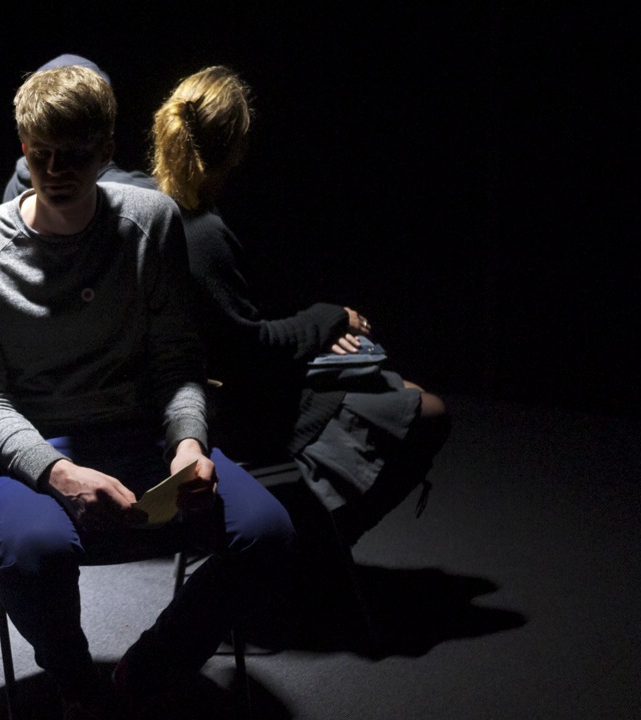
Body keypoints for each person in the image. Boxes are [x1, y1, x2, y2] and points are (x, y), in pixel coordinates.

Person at [0, 65, 295, 719]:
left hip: (142, 435)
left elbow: (177, 362)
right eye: (40, 153)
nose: (54, 170)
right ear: (23, 146)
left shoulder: (152, 221)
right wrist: (59, 473)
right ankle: (79, 686)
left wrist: (188, 443)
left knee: (268, 534)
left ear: (105, 150)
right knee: (34, 555)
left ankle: (151, 668)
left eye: (73, 155)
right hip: (39, 445)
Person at [149, 65, 450, 546]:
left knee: (399, 389)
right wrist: (332, 319)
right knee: (428, 411)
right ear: (238, 147)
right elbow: (250, 349)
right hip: (234, 408)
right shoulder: (201, 233)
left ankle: (315, 543)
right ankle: (322, 544)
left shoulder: (156, 205)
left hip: (213, 389)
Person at [1, 54, 154, 203]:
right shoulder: (140, 193)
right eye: (42, 152)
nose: (55, 170)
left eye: (74, 152)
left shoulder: (18, 184)